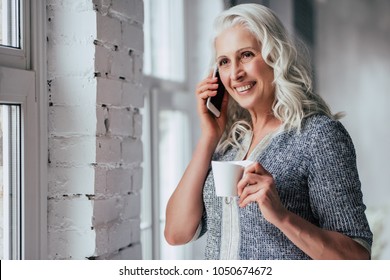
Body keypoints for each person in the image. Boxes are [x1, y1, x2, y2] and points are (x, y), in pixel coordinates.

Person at [164, 3, 373, 260]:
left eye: (247, 55)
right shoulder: (229, 145)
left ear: (275, 56)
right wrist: (209, 137)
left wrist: (282, 216)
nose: (236, 73)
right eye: (224, 62)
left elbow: (358, 259)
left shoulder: (318, 136)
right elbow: (176, 234)